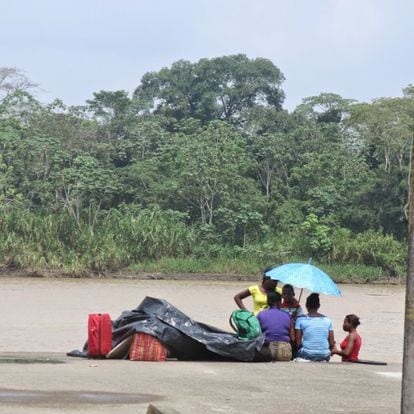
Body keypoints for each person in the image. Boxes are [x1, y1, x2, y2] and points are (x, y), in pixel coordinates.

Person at [295, 293, 335, 362]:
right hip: (325, 355)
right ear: (318, 306)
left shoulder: (301, 319)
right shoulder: (327, 320)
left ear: (306, 305)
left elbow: (298, 343)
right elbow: (331, 343)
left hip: (307, 354)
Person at [256, 292, 294, 361]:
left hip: (267, 352)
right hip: (284, 353)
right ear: (279, 302)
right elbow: (292, 338)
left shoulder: (261, 314)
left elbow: (257, 334)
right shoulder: (287, 315)